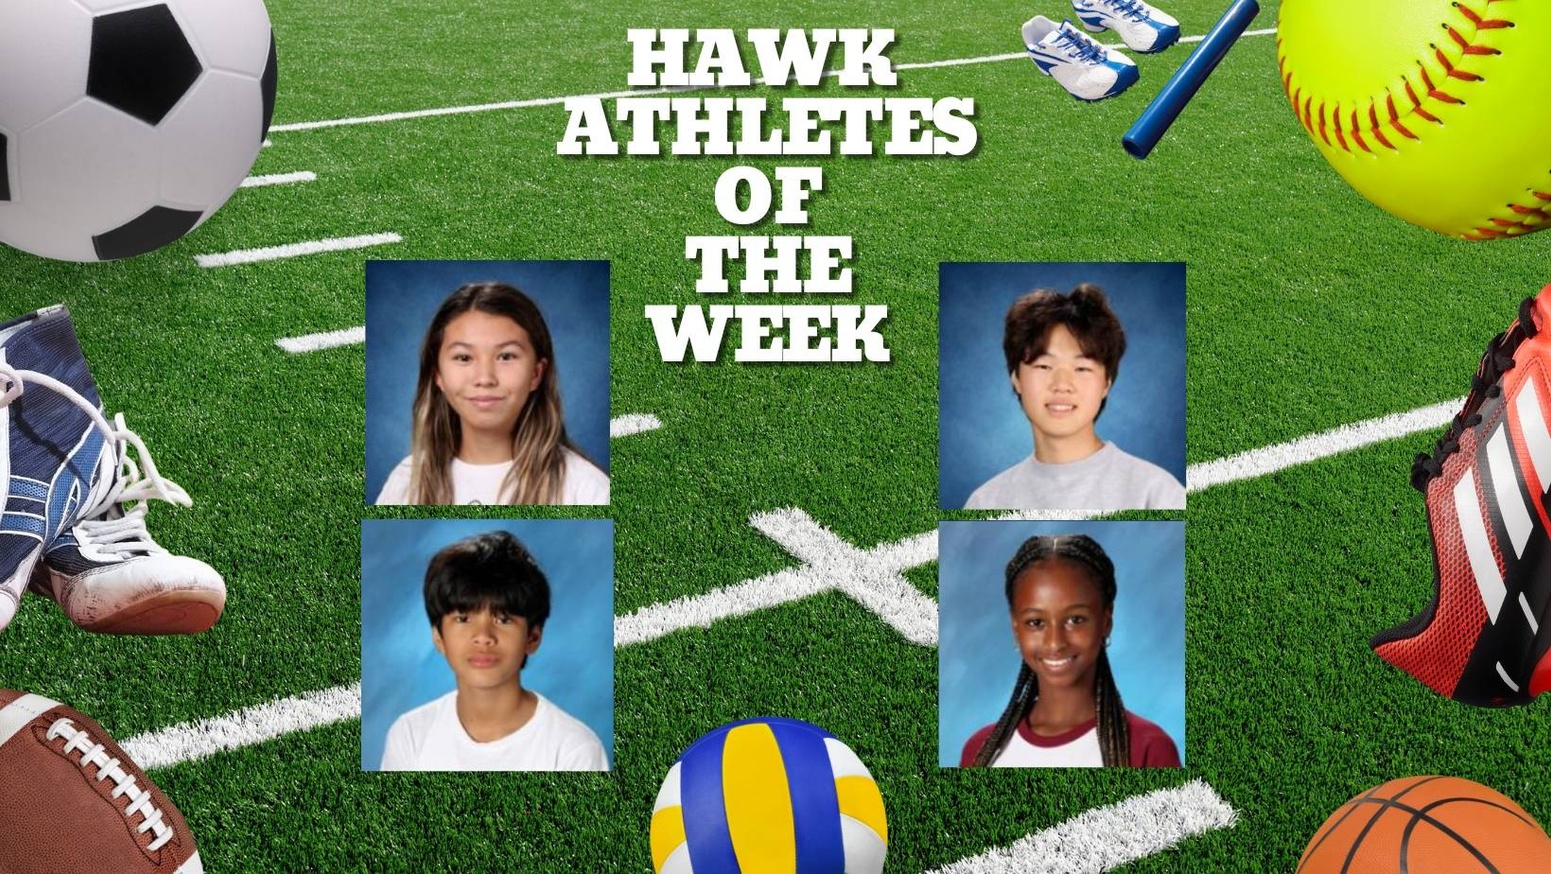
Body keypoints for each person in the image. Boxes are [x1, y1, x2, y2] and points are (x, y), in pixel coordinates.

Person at [380, 530, 609, 771]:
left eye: (503, 619)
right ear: (438, 637)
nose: (483, 637)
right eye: (463, 618)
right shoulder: (411, 737)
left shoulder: (574, 750)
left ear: (533, 637)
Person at [374, 282, 608, 505]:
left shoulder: (587, 489)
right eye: (463, 358)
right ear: (438, 376)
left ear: (536, 374)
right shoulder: (405, 483)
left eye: (506, 356)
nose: (485, 378)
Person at [960, 534, 1179, 767]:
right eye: (1035, 622)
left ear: (1106, 620)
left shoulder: (1148, 748)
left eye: (1075, 619)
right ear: (1016, 628)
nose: (1055, 643)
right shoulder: (981, 750)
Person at [963, 284, 1184, 510]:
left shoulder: (1157, 494)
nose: (1062, 385)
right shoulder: (986, 503)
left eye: (1081, 369)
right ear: (1016, 379)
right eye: (1043, 366)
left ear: (1106, 383)